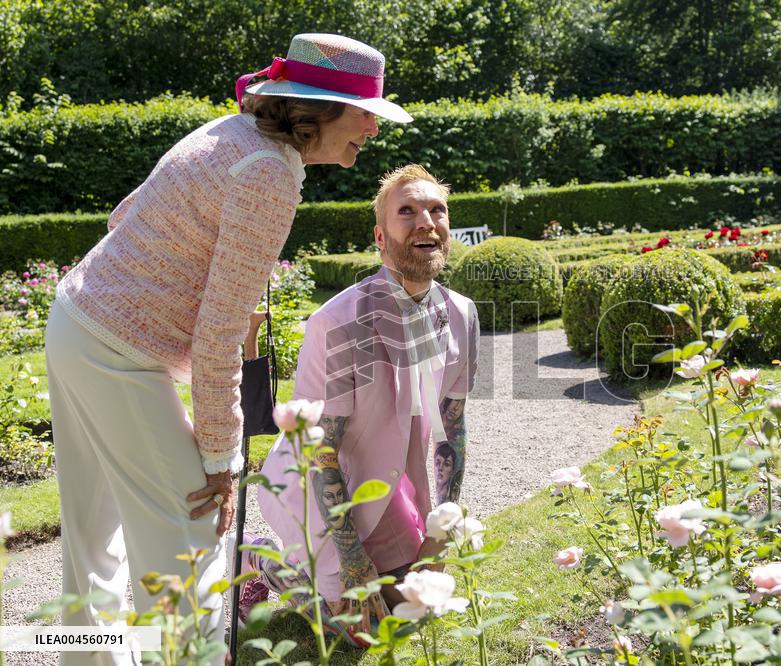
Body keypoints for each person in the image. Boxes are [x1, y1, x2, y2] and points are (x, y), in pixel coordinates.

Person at [44, 33, 411, 665]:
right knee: (189, 543)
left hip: (75, 321)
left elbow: (124, 215)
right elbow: (218, 336)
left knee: (91, 544)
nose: (374, 130)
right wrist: (220, 460)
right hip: (114, 355)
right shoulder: (270, 172)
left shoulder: (231, 133)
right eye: (367, 113)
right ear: (321, 109)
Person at [243, 164, 480, 642]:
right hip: (318, 488)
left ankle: (378, 557)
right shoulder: (338, 322)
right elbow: (320, 448)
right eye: (407, 211)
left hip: (391, 489)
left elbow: (453, 427)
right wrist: (351, 561)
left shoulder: (461, 313)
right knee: (360, 633)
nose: (426, 222)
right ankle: (258, 562)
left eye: (437, 210)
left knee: (414, 609)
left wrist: (440, 529)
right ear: (380, 235)